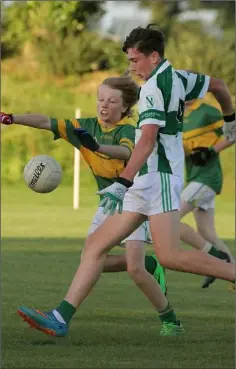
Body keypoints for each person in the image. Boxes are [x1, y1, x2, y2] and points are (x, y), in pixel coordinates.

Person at [15, 24, 235, 339]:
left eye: (135, 60)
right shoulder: (181, 77)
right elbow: (220, 85)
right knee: (96, 246)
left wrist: (122, 182)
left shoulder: (153, 90)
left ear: (153, 56)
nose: (132, 67)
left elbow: (146, 142)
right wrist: (231, 120)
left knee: (169, 256)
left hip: (155, 178)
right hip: (150, 179)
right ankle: (60, 318)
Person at [179, 97, 235, 288]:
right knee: (206, 232)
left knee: (171, 216)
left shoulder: (206, 110)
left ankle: (214, 259)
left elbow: (232, 133)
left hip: (207, 178)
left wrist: (211, 151)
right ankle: (230, 270)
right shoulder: (177, 113)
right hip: (194, 177)